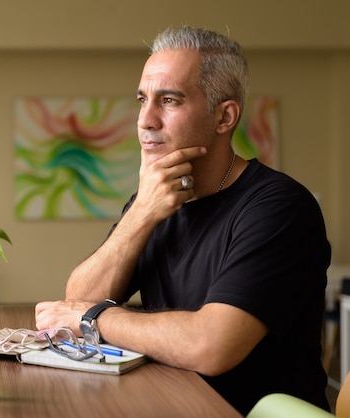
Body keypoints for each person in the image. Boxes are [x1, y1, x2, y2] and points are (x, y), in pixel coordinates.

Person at [35, 26, 331, 415]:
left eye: (169, 100)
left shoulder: (279, 207)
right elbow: (80, 296)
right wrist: (141, 212)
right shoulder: (155, 201)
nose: (146, 120)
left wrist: (95, 319)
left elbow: (211, 346)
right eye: (143, 100)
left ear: (224, 117)